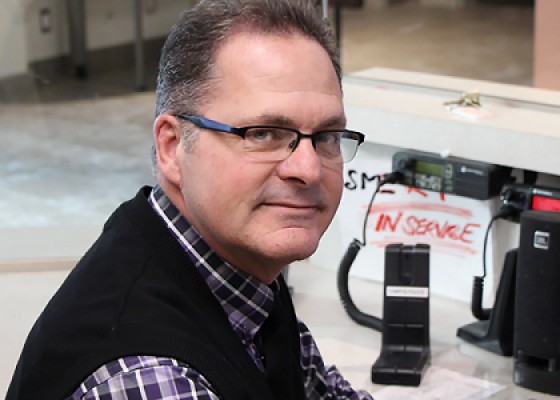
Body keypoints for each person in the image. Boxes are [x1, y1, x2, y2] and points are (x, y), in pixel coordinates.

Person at [7, 0, 371, 398]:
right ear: (172, 147)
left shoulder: (237, 271)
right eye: (263, 134)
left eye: (327, 136)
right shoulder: (145, 377)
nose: (309, 168)